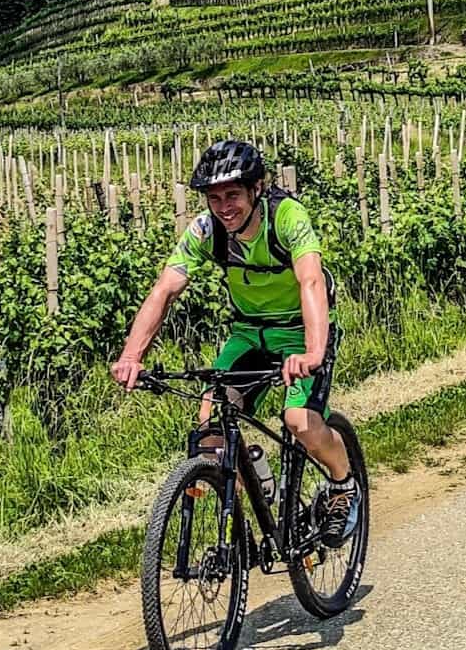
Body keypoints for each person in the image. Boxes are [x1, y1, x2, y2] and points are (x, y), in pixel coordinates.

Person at [111, 139, 359, 543]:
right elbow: (165, 290)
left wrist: (313, 351)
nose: (224, 207)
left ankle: (343, 485)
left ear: (256, 189)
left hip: (300, 333)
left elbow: (311, 281)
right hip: (248, 334)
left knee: (300, 422)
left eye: (232, 196)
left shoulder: (287, 217)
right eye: (214, 198)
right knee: (210, 428)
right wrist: (131, 357)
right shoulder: (207, 229)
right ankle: (247, 521)